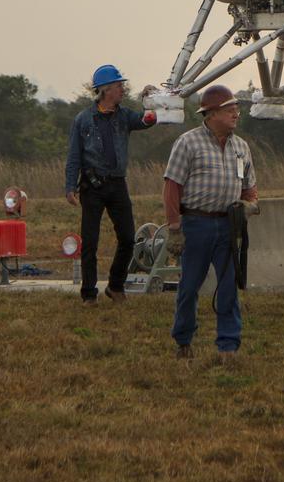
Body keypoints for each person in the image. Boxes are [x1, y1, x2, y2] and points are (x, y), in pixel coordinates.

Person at [163, 84, 258, 363]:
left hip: (227, 225)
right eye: (231, 110)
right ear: (212, 113)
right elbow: (172, 188)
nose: (236, 114)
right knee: (190, 286)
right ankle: (183, 340)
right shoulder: (188, 143)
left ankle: (228, 346)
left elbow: (250, 188)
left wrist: (249, 206)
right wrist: (174, 228)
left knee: (229, 286)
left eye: (236, 109)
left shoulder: (242, 147)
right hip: (196, 224)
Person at [65, 64, 157, 306]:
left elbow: (147, 121)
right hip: (92, 187)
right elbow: (74, 156)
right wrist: (69, 186)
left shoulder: (125, 116)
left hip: (117, 185)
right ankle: (89, 294)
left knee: (128, 238)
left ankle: (116, 286)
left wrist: (150, 100)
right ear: (106, 90)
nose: (123, 89)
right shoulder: (83, 119)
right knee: (90, 242)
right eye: (119, 86)